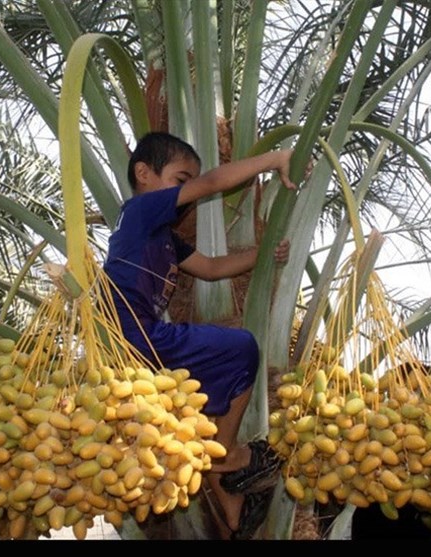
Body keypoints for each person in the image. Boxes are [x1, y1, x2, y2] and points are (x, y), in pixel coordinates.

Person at [103, 131, 296, 538]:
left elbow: (208, 268)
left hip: (138, 344)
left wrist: (262, 255)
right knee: (241, 348)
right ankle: (225, 455)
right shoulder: (138, 211)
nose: (187, 193)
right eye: (179, 181)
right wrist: (274, 158)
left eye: (187, 183)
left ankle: (231, 515)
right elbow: (209, 185)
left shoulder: (164, 239)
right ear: (143, 173)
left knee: (198, 416)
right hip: (136, 335)